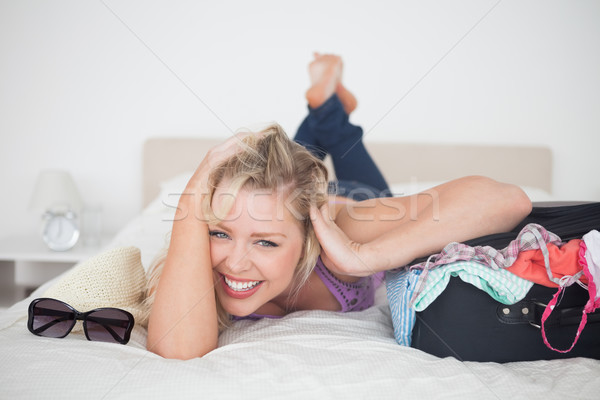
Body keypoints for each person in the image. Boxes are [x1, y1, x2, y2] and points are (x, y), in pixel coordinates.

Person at [145, 54, 532, 360]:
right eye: (220, 232)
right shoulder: (200, 256)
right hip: (291, 197)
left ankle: (328, 114)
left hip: (353, 194)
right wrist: (192, 194)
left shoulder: (341, 226)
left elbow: (508, 200)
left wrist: (362, 257)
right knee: (287, 172)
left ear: (308, 239)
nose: (236, 263)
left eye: (265, 242)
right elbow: (178, 350)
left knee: (313, 177)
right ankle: (325, 108)